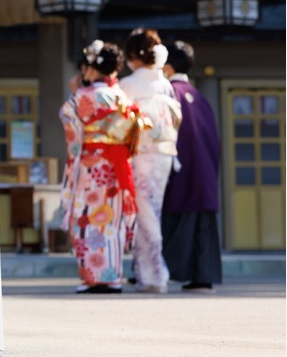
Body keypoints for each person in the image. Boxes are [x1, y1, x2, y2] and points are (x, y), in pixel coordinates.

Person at [59, 40, 146, 294]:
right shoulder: (121, 96)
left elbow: (69, 120)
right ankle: (113, 276)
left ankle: (92, 277)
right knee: (112, 219)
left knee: (85, 216)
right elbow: (134, 129)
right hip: (116, 165)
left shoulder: (81, 97)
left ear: (92, 68)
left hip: (89, 165)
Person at [120, 27, 182, 293]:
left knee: (145, 213)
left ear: (133, 55)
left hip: (140, 154)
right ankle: (148, 272)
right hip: (164, 153)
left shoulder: (130, 84)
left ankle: (155, 273)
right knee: (152, 210)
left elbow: (120, 122)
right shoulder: (165, 84)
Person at [161, 41, 223, 291]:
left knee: (175, 221)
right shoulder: (198, 95)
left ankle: (163, 269)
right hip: (204, 170)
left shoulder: (168, 92)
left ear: (166, 66)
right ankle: (202, 275)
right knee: (202, 224)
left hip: (180, 169)